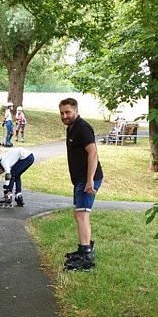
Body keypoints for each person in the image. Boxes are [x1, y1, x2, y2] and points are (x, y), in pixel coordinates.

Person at [59, 97, 104, 271]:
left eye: (68, 112)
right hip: (80, 179)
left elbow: (93, 153)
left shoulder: (83, 128)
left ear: (76, 111)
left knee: (82, 214)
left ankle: (87, 258)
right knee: (79, 214)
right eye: (62, 113)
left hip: (87, 180)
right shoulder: (72, 127)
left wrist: (90, 180)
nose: (64, 116)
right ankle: (84, 248)